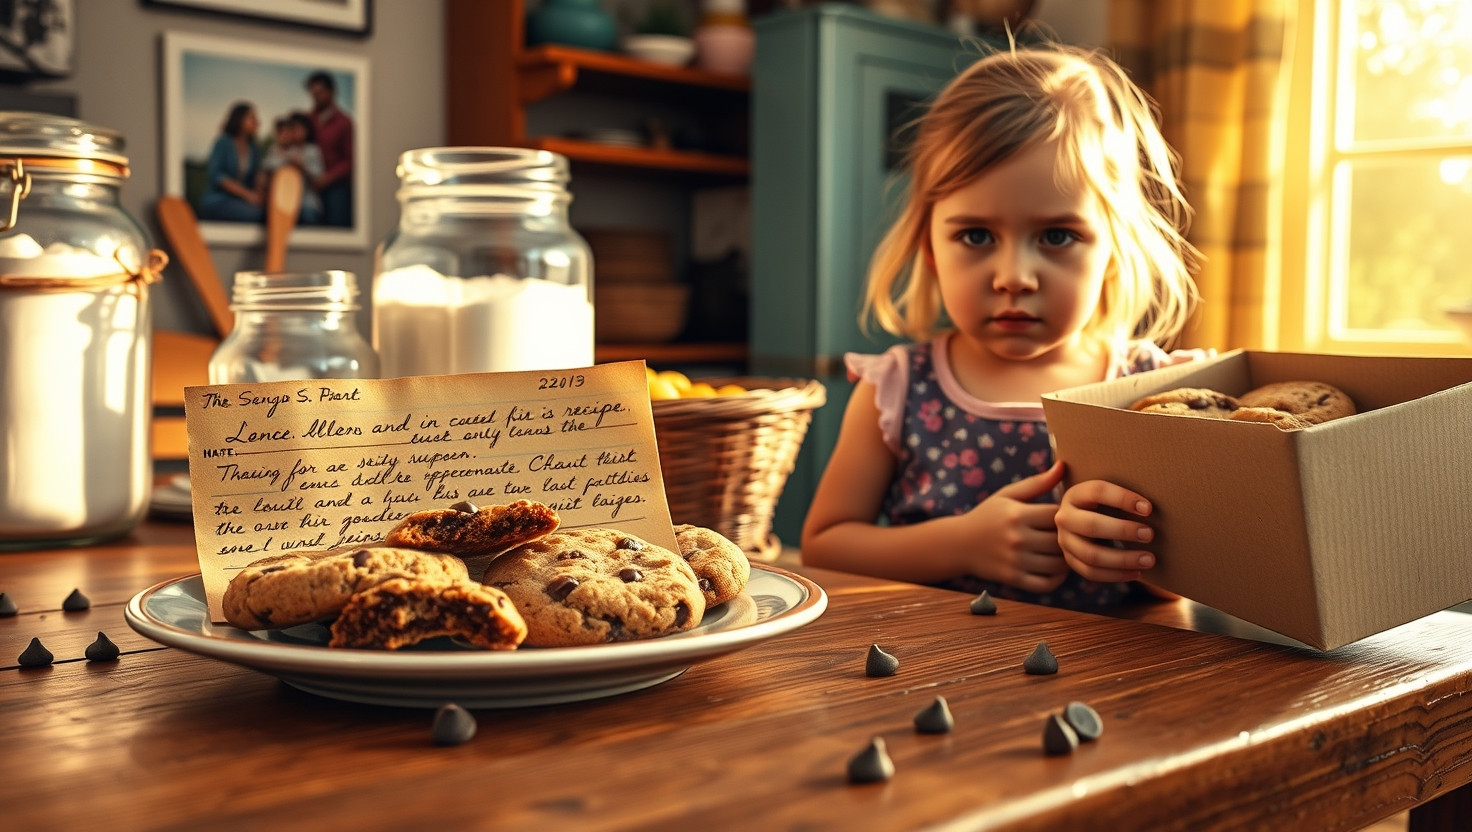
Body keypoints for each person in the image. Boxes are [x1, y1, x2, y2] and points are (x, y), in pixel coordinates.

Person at [800, 44, 1204, 610]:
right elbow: (825, 549)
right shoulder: (897, 390)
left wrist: (1137, 552)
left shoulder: (1152, 395)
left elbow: (1182, 590)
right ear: (930, 247)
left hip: (1117, 687)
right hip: (938, 679)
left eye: (1057, 237)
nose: (1014, 277)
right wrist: (961, 545)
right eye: (977, 236)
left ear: (1113, 249)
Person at [197, 101, 264, 223]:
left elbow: (255, 178)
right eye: (252, 117)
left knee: (268, 214)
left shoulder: (253, 148)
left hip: (242, 201)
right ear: (239, 119)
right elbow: (217, 176)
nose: (257, 122)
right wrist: (248, 195)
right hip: (220, 200)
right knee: (255, 216)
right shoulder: (223, 142)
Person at [304, 70, 354, 227]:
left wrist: (328, 178)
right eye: (313, 93)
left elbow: (349, 161)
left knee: (336, 221)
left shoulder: (344, 123)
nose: (316, 96)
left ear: (331, 91)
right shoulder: (307, 120)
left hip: (334, 184)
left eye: (320, 92)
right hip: (308, 180)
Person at [260, 111, 325, 225]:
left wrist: (303, 168)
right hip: (282, 203)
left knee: (308, 217)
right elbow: (267, 168)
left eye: (299, 129)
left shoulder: (311, 150)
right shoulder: (278, 150)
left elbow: (319, 177)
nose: (295, 133)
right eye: (292, 129)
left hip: (306, 202)